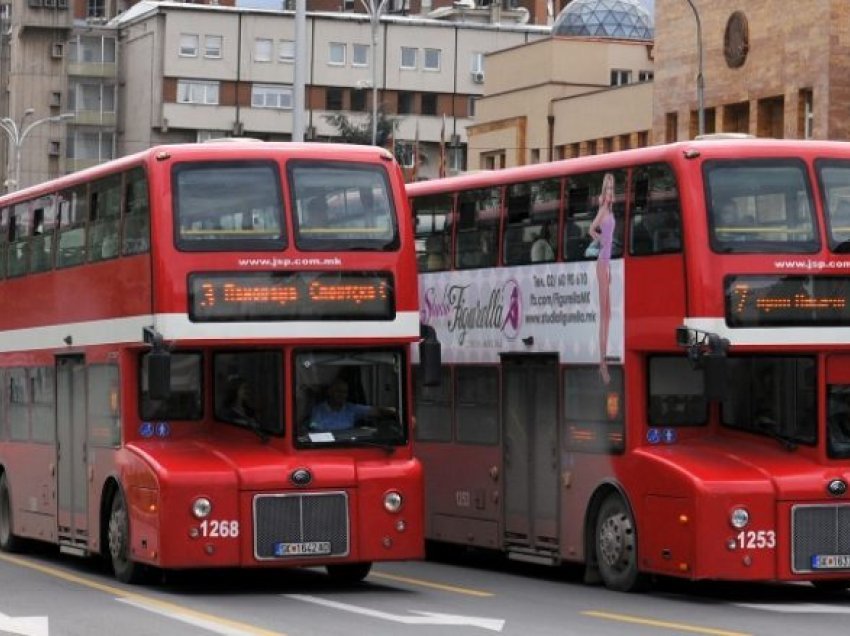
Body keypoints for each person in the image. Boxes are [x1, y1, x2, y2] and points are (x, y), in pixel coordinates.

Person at [588, 172, 615, 384]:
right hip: (602, 262)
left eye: (612, 190)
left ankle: (603, 362)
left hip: (608, 262)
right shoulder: (603, 211)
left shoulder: (610, 211)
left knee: (608, 314)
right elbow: (591, 229)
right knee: (604, 315)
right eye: (607, 190)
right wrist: (601, 242)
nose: (609, 193)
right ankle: (602, 364)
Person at [309, 377, 394, 432]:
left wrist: (396, 411)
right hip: (326, 448)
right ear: (330, 392)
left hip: (349, 446)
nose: (342, 395)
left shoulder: (351, 408)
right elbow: (315, 431)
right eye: (338, 391)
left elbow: (375, 411)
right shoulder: (318, 411)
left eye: (345, 392)